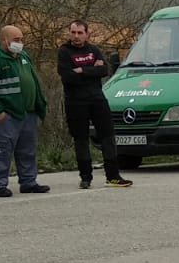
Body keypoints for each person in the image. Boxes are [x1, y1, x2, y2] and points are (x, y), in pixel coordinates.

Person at [56, 20, 132, 190]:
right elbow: (67, 76)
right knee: (81, 139)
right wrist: (92, 69)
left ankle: (113, 176)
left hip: (97, 99)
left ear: (87, 34)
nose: (76, 36)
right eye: (73, 32)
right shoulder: (64, 52)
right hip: (75, 102)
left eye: (80, 33)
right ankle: (85, 177)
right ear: (69, 33)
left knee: (107, 136)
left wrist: (83, 70)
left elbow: (104, 70)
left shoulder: (94, 50)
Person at [0, 24, 50, 198]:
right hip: (9, 114)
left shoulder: (23, 56)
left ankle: (28, 182)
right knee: (3, 149)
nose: (20, 43)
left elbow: (32, 79)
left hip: (28, 112)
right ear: (4, 40)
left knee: (28, 150)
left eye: (21, 39)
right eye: (16, 40)